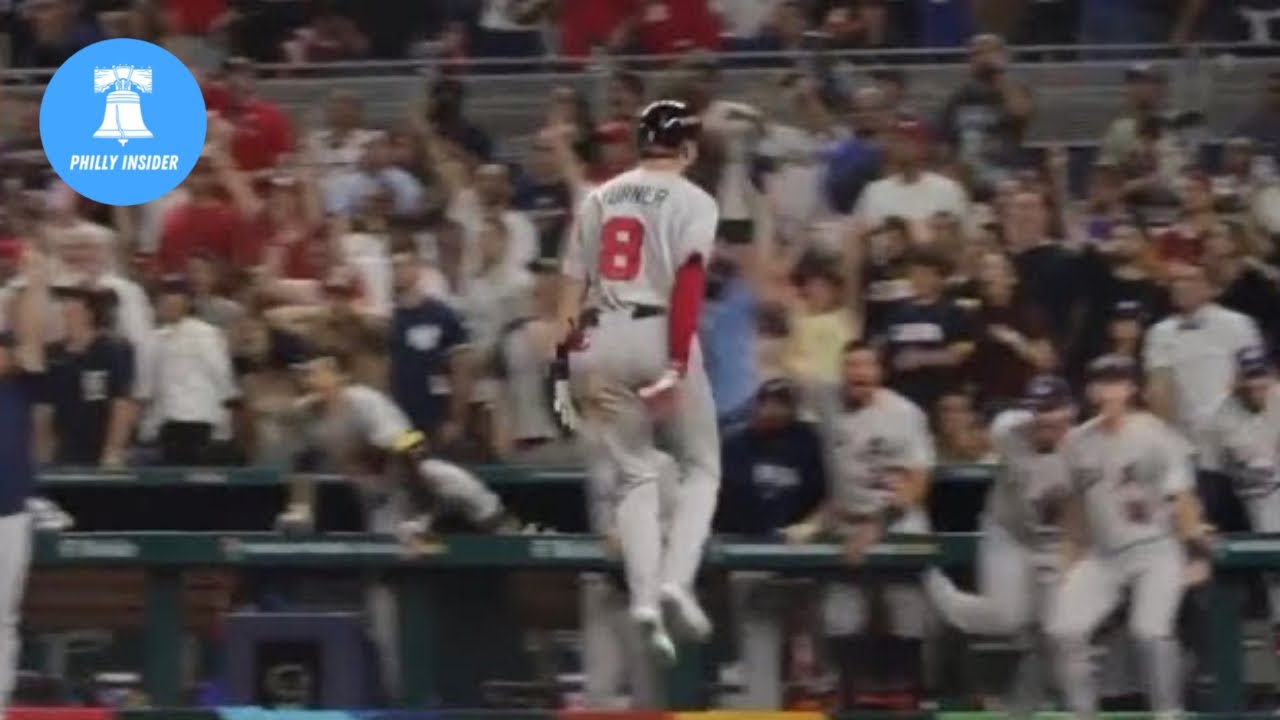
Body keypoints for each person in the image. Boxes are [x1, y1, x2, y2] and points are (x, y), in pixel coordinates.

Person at [554, 99, 721, 663]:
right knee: (702, 467)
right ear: (689, 148)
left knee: (635, 477)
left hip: (598, 339)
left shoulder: (599, 196)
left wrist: (569, 366)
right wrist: (675, 363)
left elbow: (569, 290)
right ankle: (677, 578)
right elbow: (691, 284)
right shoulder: (694, 198)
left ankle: (645, 600)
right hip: (656, 328)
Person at [274, 347, 522, 698]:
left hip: (415, 484)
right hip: (383, 506)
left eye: (317, 371)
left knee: (451, 479)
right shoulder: (305, 416)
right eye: (304, 373)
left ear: (340, 376)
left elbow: (410, 448)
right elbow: (302, 463)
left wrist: (423, 515)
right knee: (383, 606)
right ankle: (403, 696)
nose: (309, 380)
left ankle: (511, 536)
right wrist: (301, 508)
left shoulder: (363, 402)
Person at [1048, 354, 1212, 720]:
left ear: (1130, 388)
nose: (1108, 391)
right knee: (1064, 629)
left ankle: (1169, 713)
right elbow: (1074, 512)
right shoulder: (1077, 442)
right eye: (1101, 383)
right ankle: (1081, 713)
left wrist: (1196, 553)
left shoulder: (1155, 433)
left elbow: (1181, 496)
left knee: (1149, 632)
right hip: (1104, 556)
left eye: (1116, 383)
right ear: (1091, 390)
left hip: (1156, 551)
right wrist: (1067, 563)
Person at [923, 375, 1076, 718]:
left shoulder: (1087, 448)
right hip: (1006, 533)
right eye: (1037, 409)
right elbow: (966, 442)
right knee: (1008, 619)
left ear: (1069, 411)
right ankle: (928, 580)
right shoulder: (1008, 429)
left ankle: (1019, 709)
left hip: (1055, 544)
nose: (1043, 418)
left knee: (1055, 630)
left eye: (1052, 409)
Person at [796, 340, 934, 708]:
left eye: (865, 366)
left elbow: (917, 481)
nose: (857, 373)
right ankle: (850, 698)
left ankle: (909, 697)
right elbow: (790, 373)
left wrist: (877, 526)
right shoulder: (828, 402)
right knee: (840, 616)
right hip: (846, 522)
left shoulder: (904, 414)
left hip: (898, 521)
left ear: (880, 372)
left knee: (906, 609)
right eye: (850, 366)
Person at [0, 248, 48, 715]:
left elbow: (31, 347)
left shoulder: (20, 379)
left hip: (7, 508)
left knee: (2, 621)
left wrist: (33, 282)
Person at [1203, 347, 1280, 634]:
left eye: (1262, 375)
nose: (1256, 383)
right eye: (1250, 376)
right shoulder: (1216, 417)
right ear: (1236, 379)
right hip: (1240, 504)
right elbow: (1210, 480)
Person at [36, 286, 135, 467]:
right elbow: (45, 408)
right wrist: (41, 453)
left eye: (72, 308)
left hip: (102, 447)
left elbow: (121, 404)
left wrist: (113, 451)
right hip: (65, 448)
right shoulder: (54, 354)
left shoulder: (112, 350)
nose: (65, 312)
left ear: (88, 314)